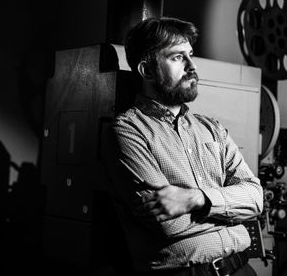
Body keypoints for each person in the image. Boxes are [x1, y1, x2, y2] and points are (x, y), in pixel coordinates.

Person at [107, 17, 263, 276]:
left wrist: (194, 198)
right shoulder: (127, 131)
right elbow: (169, 224)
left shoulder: (212, 129)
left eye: (190, 55)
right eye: (177, 57)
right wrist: (231, 211)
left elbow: (256, 199)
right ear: (147, 71)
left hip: (242, 268)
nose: (192, 66)